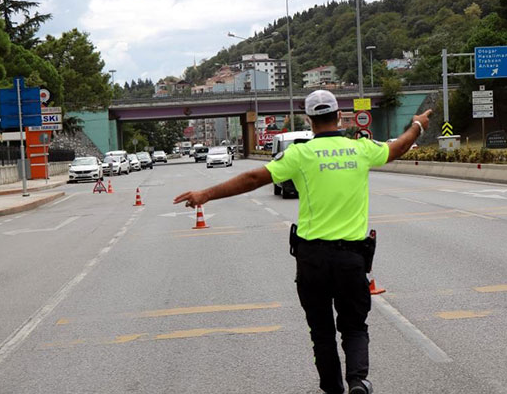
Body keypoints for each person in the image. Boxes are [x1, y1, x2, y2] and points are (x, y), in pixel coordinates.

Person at [174, 89, 431, 394]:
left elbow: (254, 179)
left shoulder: (299, 154)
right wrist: (418, 125)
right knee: (354, 326)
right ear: (338, 117)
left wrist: (206, 194)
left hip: (312, 260)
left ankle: (332, 388)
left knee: (321, 331)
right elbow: (398, 147)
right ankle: (357, 381)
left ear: (309, 121)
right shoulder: (360, 149)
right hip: (352, 258)